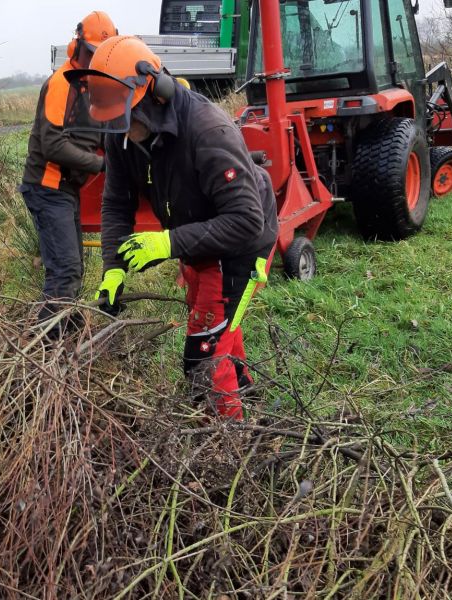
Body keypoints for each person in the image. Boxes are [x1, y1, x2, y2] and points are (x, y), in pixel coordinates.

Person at [64, 36, 279, 420]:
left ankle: (226, 444)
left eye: (124, 117)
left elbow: (247, 221)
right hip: (195, 239)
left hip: (242, 245)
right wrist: (113, 267)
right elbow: (117, 202)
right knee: (215, 328)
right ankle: (247, 397)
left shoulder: (207, 131)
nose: (119, 129)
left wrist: (167, 242)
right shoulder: (124, 137)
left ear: (155, 95)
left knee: (203, 357)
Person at [19, 11, 118, 337]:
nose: (97, 58)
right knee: (64, 271)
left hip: (65, 190)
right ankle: (41, 351)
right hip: (47, 187)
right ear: (78, 45)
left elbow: (101, 131)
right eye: (92, 51)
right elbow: (53, 144)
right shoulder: (62, 83)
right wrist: (101, 165)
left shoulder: (93, 86)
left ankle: (67, 337)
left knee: (72, 270)